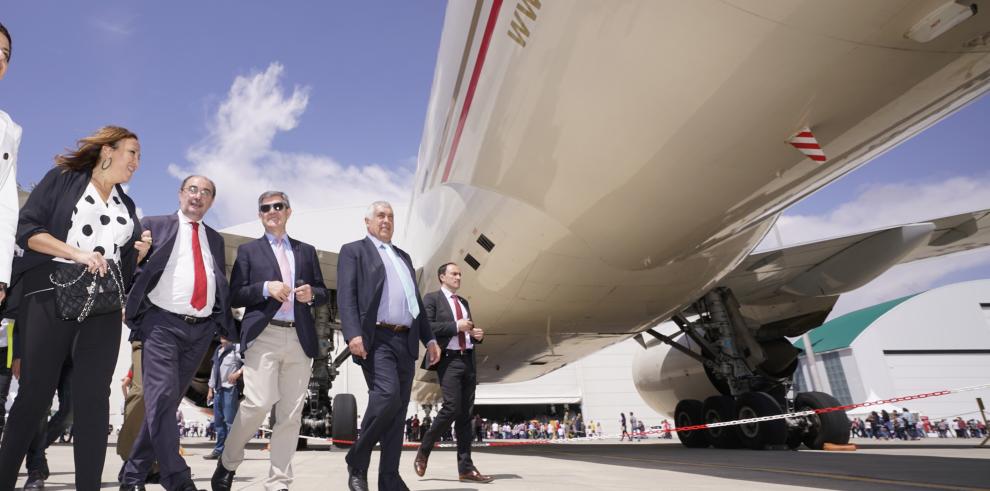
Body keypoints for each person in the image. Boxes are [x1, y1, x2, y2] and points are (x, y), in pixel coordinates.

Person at [0, 125, 145, 490]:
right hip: (50, 296)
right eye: (132, 153)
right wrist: (77, 253)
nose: (137, 163)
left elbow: (124, 268)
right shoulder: (63, 180)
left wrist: (136, 254)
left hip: (104, 309)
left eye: (140, 157)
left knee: (93, 402)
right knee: (33, 395)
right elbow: (28, 231)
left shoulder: (126, 204)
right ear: (107, 151)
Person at [119, 175, 232, 491]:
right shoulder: (153, 224)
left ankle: (132, 475)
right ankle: (177, 477)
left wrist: (221, 323)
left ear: (211, 201)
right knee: (164, 397)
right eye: (193, 189)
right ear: (181, 194)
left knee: (164, 406)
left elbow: (215, 279)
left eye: (206, 192)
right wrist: (136, 257)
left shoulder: (216, 239)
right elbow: (128, 269)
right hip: (162, 326)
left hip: (201, 331)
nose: (198, 195)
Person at [212, 190, 328, 491]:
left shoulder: (306, 250)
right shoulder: (249, 252)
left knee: (290, 415)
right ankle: (228, 462)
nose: (272, 211)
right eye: (266, 208)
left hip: (299, 337)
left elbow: (322, 291)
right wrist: (265, 288)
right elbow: (236, 293)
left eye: (279, 206)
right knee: (258, 403)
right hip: (264, 334)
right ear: (260, 215)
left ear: (288, 211)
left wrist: (311, 294)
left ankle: (278, 482)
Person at [337, 201, 440, 491]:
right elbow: (346, 296)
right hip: (376, 338)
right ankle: (357, 462)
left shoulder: (403, 256)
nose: (386, 220)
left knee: (397, 412)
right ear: (367, 222)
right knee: (387, 396)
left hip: (405, 340)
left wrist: (429, 338)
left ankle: (389, 479)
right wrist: (352, 333)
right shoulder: (353, 251)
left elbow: (415, 303)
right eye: (380, 216)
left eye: (390, 216)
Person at [414, 262, 493, 483]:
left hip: (468, 359)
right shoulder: (432, 299)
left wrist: (476, 335)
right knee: (451, 407)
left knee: (465, 416)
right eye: (454, 274)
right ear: (442, 277)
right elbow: (427, 327)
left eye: (460, 274)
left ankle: (466, 469)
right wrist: (455, 326)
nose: (458, 277)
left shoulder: (463, 302)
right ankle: (424, 449)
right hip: (448, 360)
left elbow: (466, 330)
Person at [0, 22, 20, 311]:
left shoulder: (9, 130)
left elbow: (5, 205)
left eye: (5, 54)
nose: (0, 59)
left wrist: (1, 275)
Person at [204, 336, 242, 460]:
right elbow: (214, 371)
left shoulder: (237, 349)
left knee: (230, 422)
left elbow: (251, 363)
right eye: (221, 334)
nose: (222, 336)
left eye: (225, 334)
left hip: (229, 390)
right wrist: (210, 390)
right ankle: (219, 450)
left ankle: (231, 452)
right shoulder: (218, 350)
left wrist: (238, 373)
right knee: (219, 423)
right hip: (217, 391)